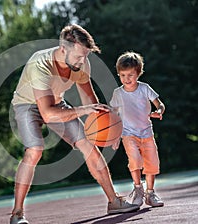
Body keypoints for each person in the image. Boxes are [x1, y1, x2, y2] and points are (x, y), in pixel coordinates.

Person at [9, 24, 139, 224]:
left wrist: (111, 128)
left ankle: (114, 201)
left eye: (86, 56)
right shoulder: (41, 64)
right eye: (79, 56)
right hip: (27, 104)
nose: (83, 61)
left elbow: (90, 103)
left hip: (57, 102)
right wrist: (83, 111)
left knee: (88, 145)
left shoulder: (81, 63)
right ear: (63, 49)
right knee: (35, 150)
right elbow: (47, 113)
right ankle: (17, 214)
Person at [110, 51, 165, 208]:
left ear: (138, 73)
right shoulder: (118, 93)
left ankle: (150, 193)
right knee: (134, 159)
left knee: (152, 163)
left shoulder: (144, 88)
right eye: (122, 75)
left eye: (130, 75)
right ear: (119, 74)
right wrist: (114, 136)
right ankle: (138, 188)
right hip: (128, 134)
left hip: (147, 133)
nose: (126, 79)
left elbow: (160, 104)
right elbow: (113, 115)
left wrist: (159, 111)